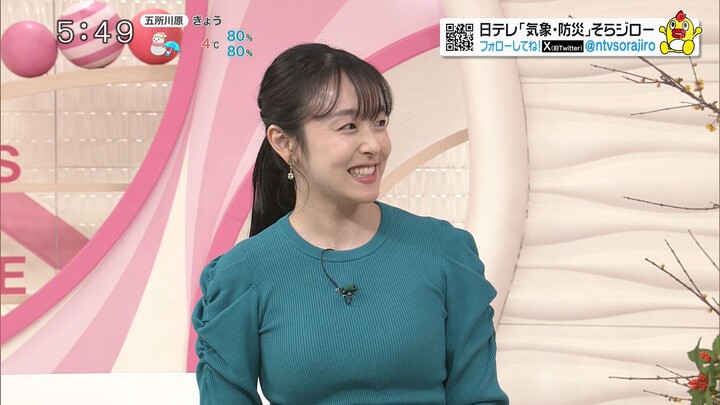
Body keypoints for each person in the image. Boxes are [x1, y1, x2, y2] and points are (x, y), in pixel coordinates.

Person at [192, 43, 509, 405]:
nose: (373, 145)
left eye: (380, 123)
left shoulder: (445, 251)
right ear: (284, 142)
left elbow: (479, 396)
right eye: (348, 126)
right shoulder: (240, 275)